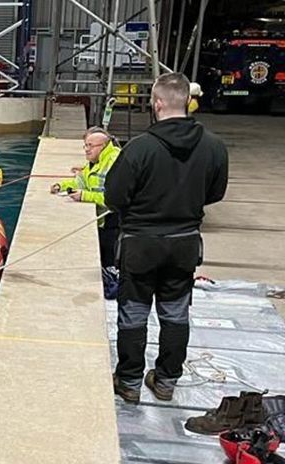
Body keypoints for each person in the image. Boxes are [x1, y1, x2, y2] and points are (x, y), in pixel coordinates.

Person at [106, 72, 228, 404]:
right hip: (184, 243)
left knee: (133, 314)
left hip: (140, 245)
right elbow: (215, 193)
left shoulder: (138, 149)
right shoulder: (214, 146)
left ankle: (129, 380)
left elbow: (114, 196)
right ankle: (166, 380)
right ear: (187, 101)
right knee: (175, 313)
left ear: (157, 103)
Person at [50, 127, 122, 299]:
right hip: (102, 221)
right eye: (85, 145)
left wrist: (84, 196)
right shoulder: (94, 162)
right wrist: (63, 185)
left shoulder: (114, 161)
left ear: (103, 146)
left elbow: (115, 198)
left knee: (111, 263)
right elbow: (80, 181)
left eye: (90, 145)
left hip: (113, 221)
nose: (87, 149)